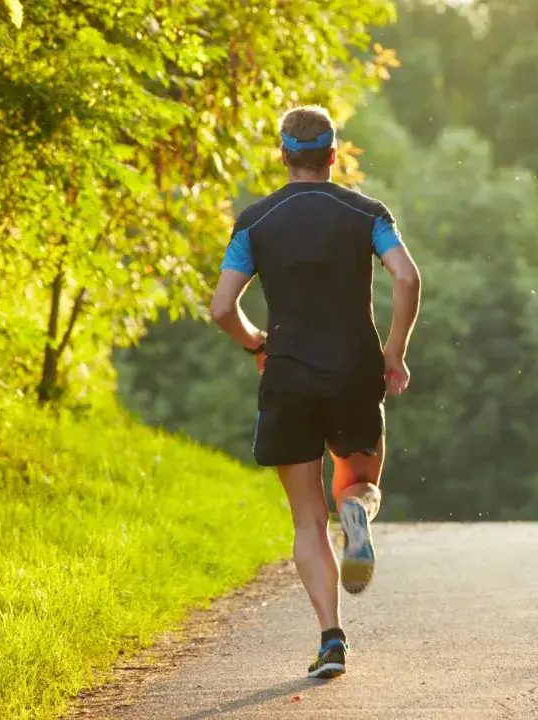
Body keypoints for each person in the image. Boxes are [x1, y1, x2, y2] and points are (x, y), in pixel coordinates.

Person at [208, 105, 421, 680]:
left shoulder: (255, 222)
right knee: (359, 481)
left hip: (289, 378)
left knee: (307, 519)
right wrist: (393, 354)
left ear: (284, 155)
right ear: (332, 155)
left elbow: (222, 307)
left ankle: (332, 639)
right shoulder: (367, 213)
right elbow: (406, 277)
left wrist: (257, 343)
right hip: (354, 371)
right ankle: (358, 512)